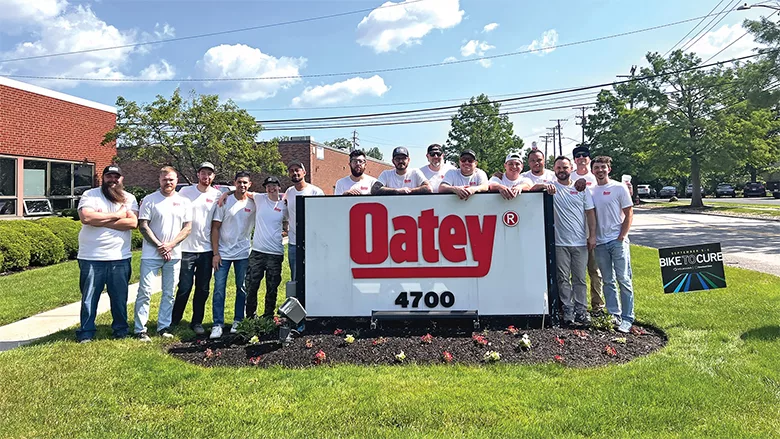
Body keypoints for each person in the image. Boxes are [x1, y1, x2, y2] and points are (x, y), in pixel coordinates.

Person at [75, 165, 139, 343]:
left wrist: (101, 220)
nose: (113, 180)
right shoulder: (90, 194)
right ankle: (86, 331)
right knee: (89, 297)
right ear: (103, 178)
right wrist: (118, 215)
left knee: (119, 298)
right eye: (109, 176)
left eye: (116, 177)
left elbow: (132, 223)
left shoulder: (129, 198)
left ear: (121, 179)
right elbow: (86, 218)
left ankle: (120, 329)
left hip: (119, 257)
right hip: (91, 257)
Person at [135, 166, 192, 342]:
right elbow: (143, 225)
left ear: (176, 181)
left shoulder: (184, 201)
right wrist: (160, 246)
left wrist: (171, 245)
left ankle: (163, 326)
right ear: (159, 180)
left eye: (171, 179)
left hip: (174, 255)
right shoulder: (150, 200)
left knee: (169, 292)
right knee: (145, 291)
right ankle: (140, 329)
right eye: (165, 179)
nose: (168, 182)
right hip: (151, 255)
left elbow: (187, 227)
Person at [171, 162, 222, 335]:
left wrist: (228, 192)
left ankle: (197, 322)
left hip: (206, 249)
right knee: (184, 286)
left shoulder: (217, 195)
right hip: (186, 248)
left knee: (203, 288)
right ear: (198, 175)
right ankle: (174, 319)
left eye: (209, 174)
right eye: (203, 173)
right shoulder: (185, 191)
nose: (206, 177)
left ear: (213, 177)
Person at [590, 156, 635, 333]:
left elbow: (629, 213)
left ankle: (627, 317)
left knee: (623, 279)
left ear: (609, 169)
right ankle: (614, 314)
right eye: (596, 168)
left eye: (603, 167)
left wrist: (621, 237)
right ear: (592, 171)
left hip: (617, 241)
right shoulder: (591, 191)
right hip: (600, 243)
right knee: (608, 281)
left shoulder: (618, 187)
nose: (600, 170)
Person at [551, 156, 597, 327]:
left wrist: (592, 236)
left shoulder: (581, 188)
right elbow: (532, 186)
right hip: (559, 243)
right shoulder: (552, 188)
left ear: (571, 168)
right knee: (563, 278)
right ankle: (568, 311)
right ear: (554, 169)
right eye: (558, 168)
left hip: (580, 242)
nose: (562, 171)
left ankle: (581, 311)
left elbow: (590, 213)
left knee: (580, 278)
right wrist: (543, 186)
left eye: (565, 167)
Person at [210, 171, 256, 339]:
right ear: (234, 183)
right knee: (219, 289)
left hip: (243, 252)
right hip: (223, 252)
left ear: (250, 184)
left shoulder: (254, 202)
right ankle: (217, 324)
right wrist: (215, 254)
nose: (242, 185)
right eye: (239, 182)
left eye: (245, 182)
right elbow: (215, 228)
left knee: (242, 287)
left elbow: (270, 199)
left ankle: (238, 320)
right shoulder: (225, 201)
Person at [245, 176, 288, 319]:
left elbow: (288, 222)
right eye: (268, 186)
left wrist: (284, 231)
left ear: (279, 187)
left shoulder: (284, 205)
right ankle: (250, 316)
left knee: (272, 287)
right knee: (252, 286)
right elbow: (241, 190)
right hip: (257, 251)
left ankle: (268, 316)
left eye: (274, 186)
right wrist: (226, 194)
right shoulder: (259, 198)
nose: (271, 188)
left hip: (275, 253)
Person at [571, 145, 605, 314]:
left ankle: (597, 305)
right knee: (575, 273)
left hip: (593, 232)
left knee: (594, 270)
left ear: (589, 159)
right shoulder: (568, 178)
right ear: (574, 160)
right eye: (578, 156)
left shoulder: (597, 177)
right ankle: (575, 305)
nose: (582, 158)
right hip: (573, 233)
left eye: (585, 155)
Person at [284, 161, 324, 282]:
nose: (294, 173)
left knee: (315, 274)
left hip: (312, 242)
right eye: (291, 171)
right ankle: (297, 300)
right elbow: (285, 212)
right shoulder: (289, 192)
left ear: (304, 172)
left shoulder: (316, 192)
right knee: (296, 276)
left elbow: (323, 216)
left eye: (297, 170)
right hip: (294, 243)